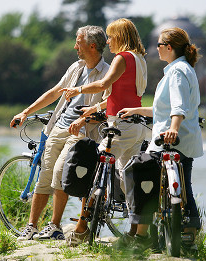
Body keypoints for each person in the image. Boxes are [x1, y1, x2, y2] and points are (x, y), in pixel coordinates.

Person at [10, 25, 111, 241]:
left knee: (59, 173)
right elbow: (54, 92)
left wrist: (86, 119)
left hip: (81, 132)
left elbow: (107, 104)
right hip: (58, 127)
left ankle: (54, 226)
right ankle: (31, 226)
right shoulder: (76, 67)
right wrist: (26, 112)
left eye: (78, 42)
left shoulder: (106, 74)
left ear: (92, 46)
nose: (75, 46)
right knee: (44, 176)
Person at [61, 18, 148, 246]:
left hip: (119, 127)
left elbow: (103, 84)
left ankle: (81, 228)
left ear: (120, 37)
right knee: (128, 180)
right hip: (137, 126)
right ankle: (136, 233)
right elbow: (120, 95)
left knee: (93, 168)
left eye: (111, 36)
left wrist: (77, 89)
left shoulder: (122, 57)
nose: (107, 41)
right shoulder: (139, 59)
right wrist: (95, 107)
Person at [118, 27, 204, 250]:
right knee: (186, 189)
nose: (154, 49)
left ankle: (142, 236)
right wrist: (135, 110)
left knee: (145, 178)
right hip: (186, 141)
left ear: (168, 47)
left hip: (169, 139)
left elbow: (178, 106)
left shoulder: (176, 72)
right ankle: (189, 238)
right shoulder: (185, 69)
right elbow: (163, 109)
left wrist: (173, 129)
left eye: (157, 45)